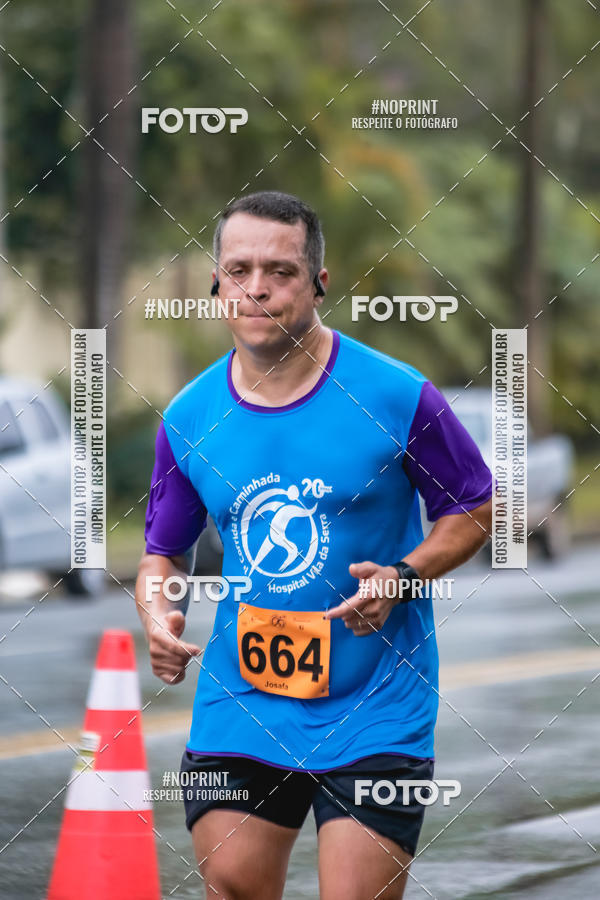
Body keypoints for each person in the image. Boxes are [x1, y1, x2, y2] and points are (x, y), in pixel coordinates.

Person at [135, 190, 492, 899]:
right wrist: (157, 616)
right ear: (216, 282)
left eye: (281, 270)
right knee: (233, 882)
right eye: (238, 270)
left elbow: (475, 508)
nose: (257, 287)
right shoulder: (188, 417)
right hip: (244, 696)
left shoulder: (397, 395)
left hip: (377, 704)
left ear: (319, 282)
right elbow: (163, 554)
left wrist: (404, 575)